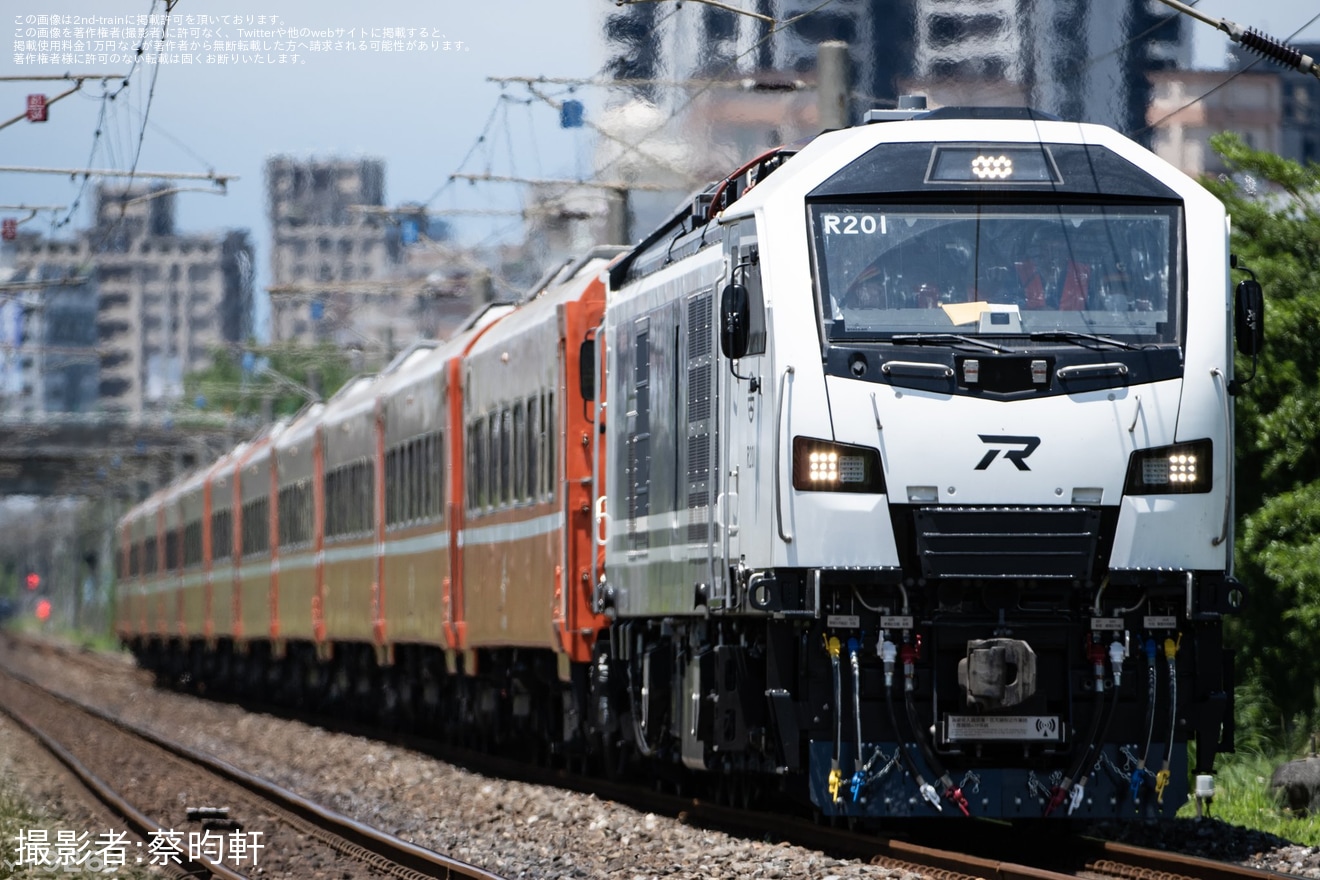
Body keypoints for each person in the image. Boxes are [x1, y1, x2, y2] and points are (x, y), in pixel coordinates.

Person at [1015, 225, 1091, 310]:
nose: (1054, 255)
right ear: (1039, 249)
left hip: (1076, 323)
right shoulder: (1020, 271)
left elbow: (1097, 310)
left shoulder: (1084, 273)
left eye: (1059, 250)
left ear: (1067, 251)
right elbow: (1008, 302)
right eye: (1048, 249)